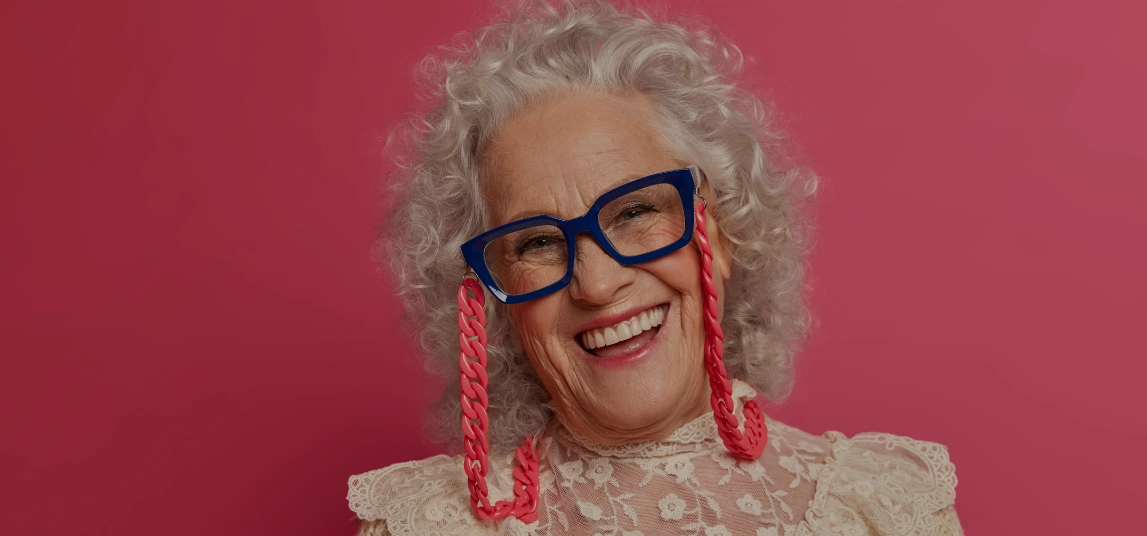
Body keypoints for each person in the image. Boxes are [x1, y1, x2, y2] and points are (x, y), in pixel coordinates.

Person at [347, 2, 962, 534]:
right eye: (537, 243)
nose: (598, 283)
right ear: (489, 291)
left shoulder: (887, 511)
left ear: (718, 234)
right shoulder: (423, 523)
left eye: (635, 210)